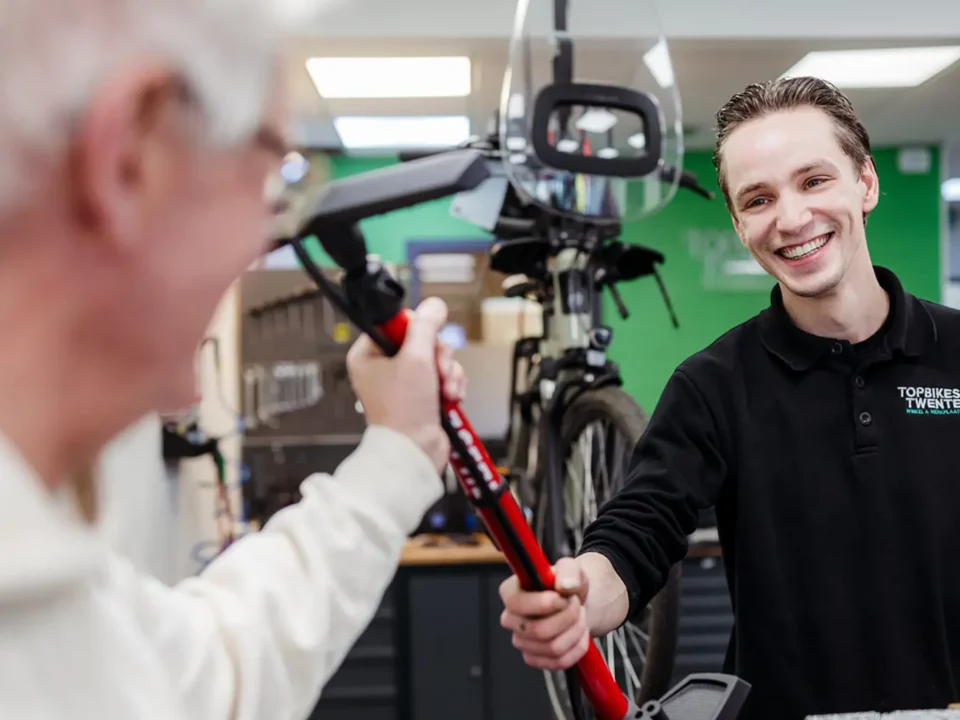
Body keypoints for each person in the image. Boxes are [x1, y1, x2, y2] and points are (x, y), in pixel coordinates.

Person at [0, 2, 466, 719]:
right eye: (272, 176)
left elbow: (204, 672)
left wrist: (398, 451)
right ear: (132, 156)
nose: (261, 240)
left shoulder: (52, 592)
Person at [499, 75, 960, 719]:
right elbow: (640, 530)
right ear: (741, 226)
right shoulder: (712, 385)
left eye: (814, 181)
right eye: (759, 199)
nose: (791, 218)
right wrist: (581, 595)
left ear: (866, 184)